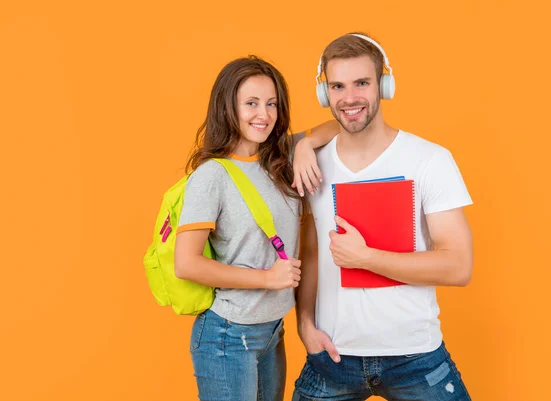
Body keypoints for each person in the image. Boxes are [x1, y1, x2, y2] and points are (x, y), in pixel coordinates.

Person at [292, 33, 474, 400]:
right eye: (338, 86)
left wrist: (366, 258)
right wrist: (305, 326)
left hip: (414, 356)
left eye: (362, 83)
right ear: (325, 94)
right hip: (332, 357)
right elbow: (309, 252)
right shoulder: (312, 165)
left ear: (383, 85)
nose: (350, 98)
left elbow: (458, 267)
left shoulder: (429, 160)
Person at [173, 56, 336, 401]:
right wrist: (267, 278)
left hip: (271, 332)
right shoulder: (212, 175)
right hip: (227, 337)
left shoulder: (280, 157)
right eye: (251, 103)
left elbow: (338, 124)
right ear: (228, 107)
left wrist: (304, 144)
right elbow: (186, 264)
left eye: (271, 103)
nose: (263, 114)